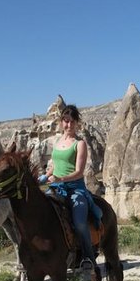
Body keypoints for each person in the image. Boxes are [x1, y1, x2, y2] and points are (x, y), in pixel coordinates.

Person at [44, 105, 102, 271]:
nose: (68, 125)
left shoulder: (80, 143)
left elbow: (78, 172)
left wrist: (60, 178)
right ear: (62, 122)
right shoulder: (58, 141)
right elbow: (55, 165)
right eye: (65, 121)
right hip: (55, 187)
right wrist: (45, 175)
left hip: (75, 189)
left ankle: (87, 256)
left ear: (77, 123)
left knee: (79, 222)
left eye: (71, 122)